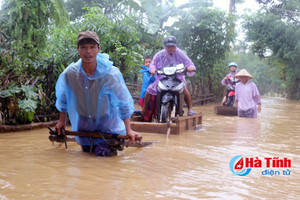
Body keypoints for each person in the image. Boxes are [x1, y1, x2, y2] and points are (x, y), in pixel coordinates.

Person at [54, 30, 141, 156]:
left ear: (98, 49)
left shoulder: (110, 74)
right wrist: (61, 121)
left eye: (92, 47)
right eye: (83, 47)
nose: (88, 52)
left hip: (107, 124)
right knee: (85, 156)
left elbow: (123, 102)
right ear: (78, 49)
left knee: (103, 156)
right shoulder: (70, 74)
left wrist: (129, 129)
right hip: (83, 124)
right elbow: (63, 99)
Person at [136, 36, 196, 118]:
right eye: (168, 46)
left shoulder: (180, 53)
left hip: (177, 77)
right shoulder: (159, 54)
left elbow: (190, 63)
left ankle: (190, 108)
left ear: (175, 46)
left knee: (184, 89)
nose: (170, 48)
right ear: (165, 46)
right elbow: (153, 63)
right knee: (149, 89)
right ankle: (144, 110)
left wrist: (190, 68)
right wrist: (152, 69)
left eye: (172, 46)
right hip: (162, 77)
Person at [139, 56, 156, 121]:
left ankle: (149, 119)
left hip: (153, 93)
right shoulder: (145, 72)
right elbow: (148, 81)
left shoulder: (155, 72)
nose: (148, 64)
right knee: (146, 107)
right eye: (146, 62)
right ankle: (146, 120)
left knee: (151, 108)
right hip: (144, 93)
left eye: (150, 62)